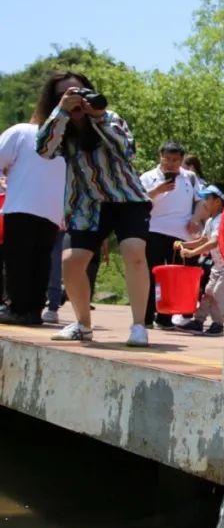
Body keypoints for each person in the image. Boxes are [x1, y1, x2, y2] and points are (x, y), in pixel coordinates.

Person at [35, 72, 152, 346]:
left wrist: (97, 117)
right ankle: (83, 325)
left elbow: (127, 150)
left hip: (127, 198)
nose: (76, 98)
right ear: (57, 100)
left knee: (134, 252)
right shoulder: (58, 125)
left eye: (80, 92)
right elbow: (43, 150)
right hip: (86, 203)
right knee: (70, 262)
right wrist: (62, 114)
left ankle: (138, 326)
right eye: (67, 94)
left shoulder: (110, 117)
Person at [0, 108, 66, 325]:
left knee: (18, 258)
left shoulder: (22, 131)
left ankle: (17, 309)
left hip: (21, 204)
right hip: (52, 210)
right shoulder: (66, 142)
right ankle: (34, 310)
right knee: (41, 260)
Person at [141, 141, 202, 329]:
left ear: (181, 160)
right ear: (160, 156)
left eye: (175, 160)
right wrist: (158, 190)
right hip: (154, 230)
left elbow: (200, 201)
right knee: (152, 274)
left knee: (174, 277)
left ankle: (166, 316)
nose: (171, 163)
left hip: (181, 234)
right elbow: (139, 201)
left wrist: (195, 218)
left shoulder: (190, 177)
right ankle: (146, 316)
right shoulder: (148, 177)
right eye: (167, 158)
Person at [176, 184, 224, 336]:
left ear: (218, 202)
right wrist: (184, 244)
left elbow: (214, 242)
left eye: (207, 198)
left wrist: (192, 252)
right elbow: (203, 240)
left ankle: (218, 323)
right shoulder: (210, 221)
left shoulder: (222, 220)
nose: (204, 202)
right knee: (208, 292)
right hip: (217, 267)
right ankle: (198, 321)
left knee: (217, 293)